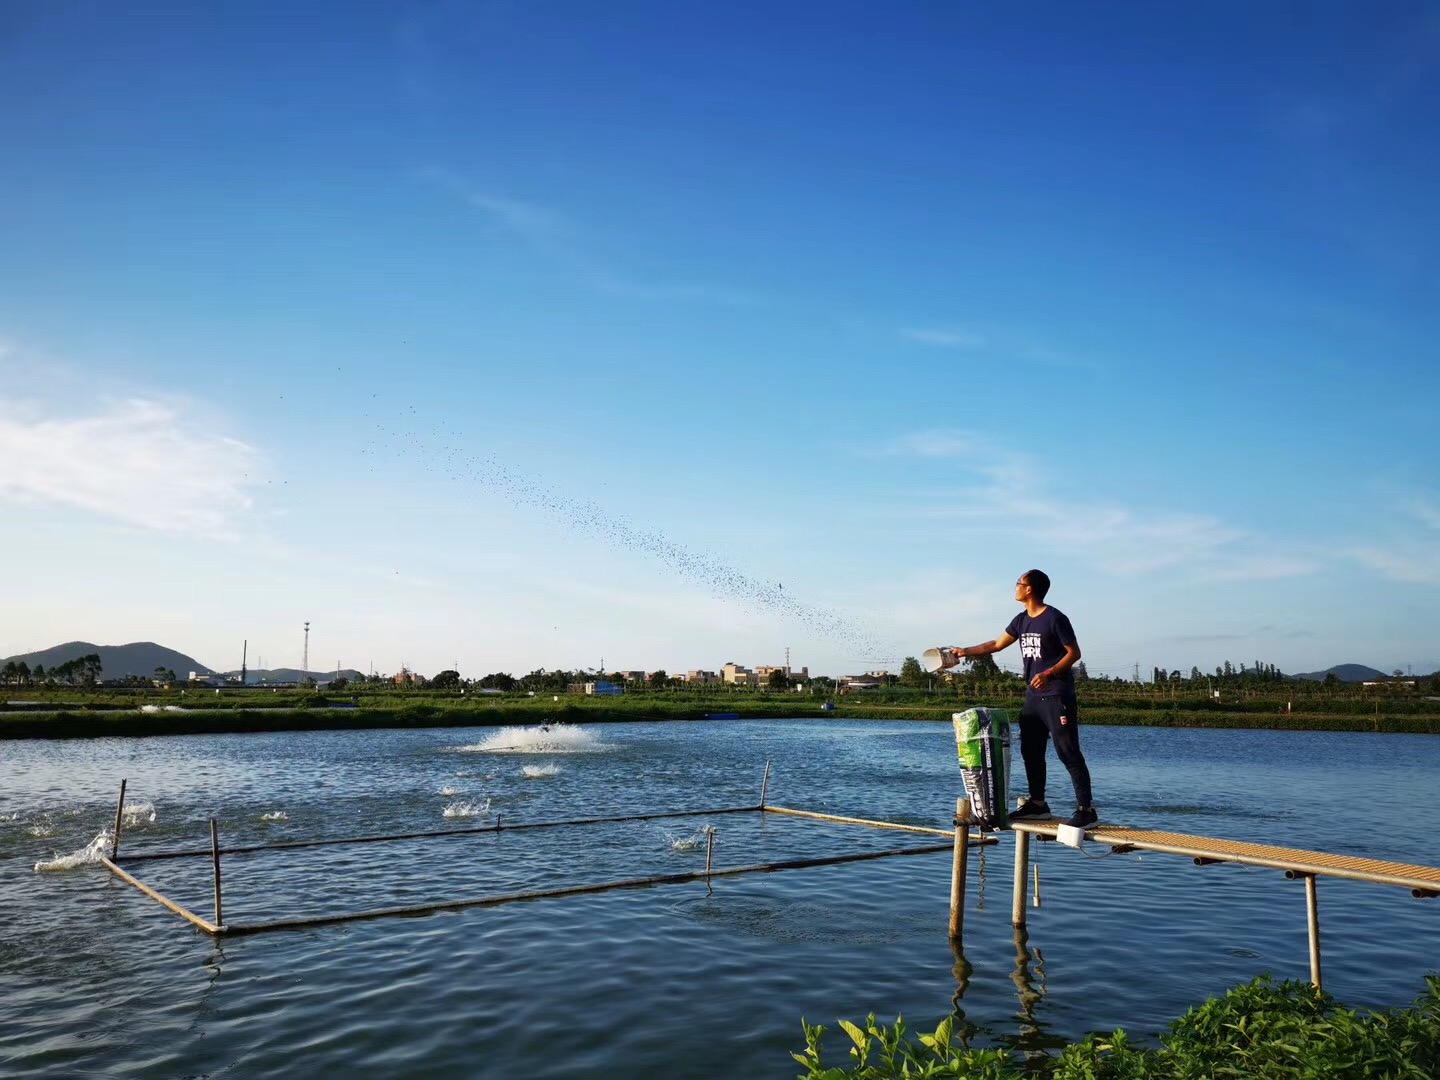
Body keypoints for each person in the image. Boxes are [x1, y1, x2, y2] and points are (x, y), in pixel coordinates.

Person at [945, 570, 1097, 829]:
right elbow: (995, 644)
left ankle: (1086, 810)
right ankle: (1038, 805)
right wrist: (964, 651)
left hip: (1056, 693)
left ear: (1030, 589)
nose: (1015, 587)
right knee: (1030, 750)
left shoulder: (1055, 618)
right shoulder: (1021, 620)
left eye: (1019, 583)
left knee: (1067, 751)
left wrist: (1048, 673)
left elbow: (1074, 653)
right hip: (1033, 697)